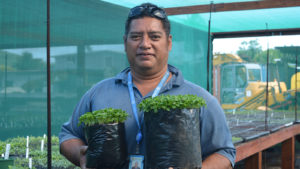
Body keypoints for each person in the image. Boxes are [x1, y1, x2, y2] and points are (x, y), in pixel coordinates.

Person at [59, 3, 236, 169]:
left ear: (169, 42)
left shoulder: (200, 99)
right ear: (125, 42)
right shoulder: (99, 93)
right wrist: (80, 155)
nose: (145, 44)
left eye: (154, 37)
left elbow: (225, 153)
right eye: (136, 37)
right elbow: (69, 135)